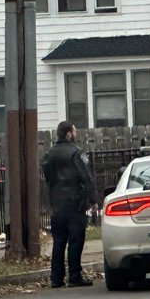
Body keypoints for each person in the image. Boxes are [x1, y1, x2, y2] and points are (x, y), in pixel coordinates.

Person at [41, 121, 98, 288]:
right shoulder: (75, 153)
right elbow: (86, 177)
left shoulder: (49, 154)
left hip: (57, 203)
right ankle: (75, 275)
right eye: (74, 131)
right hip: (75, 203)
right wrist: (93, 199)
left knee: (59, 240)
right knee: (75, 240)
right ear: (68, 134)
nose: (76, 134)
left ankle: (56, 277)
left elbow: (49, 177)